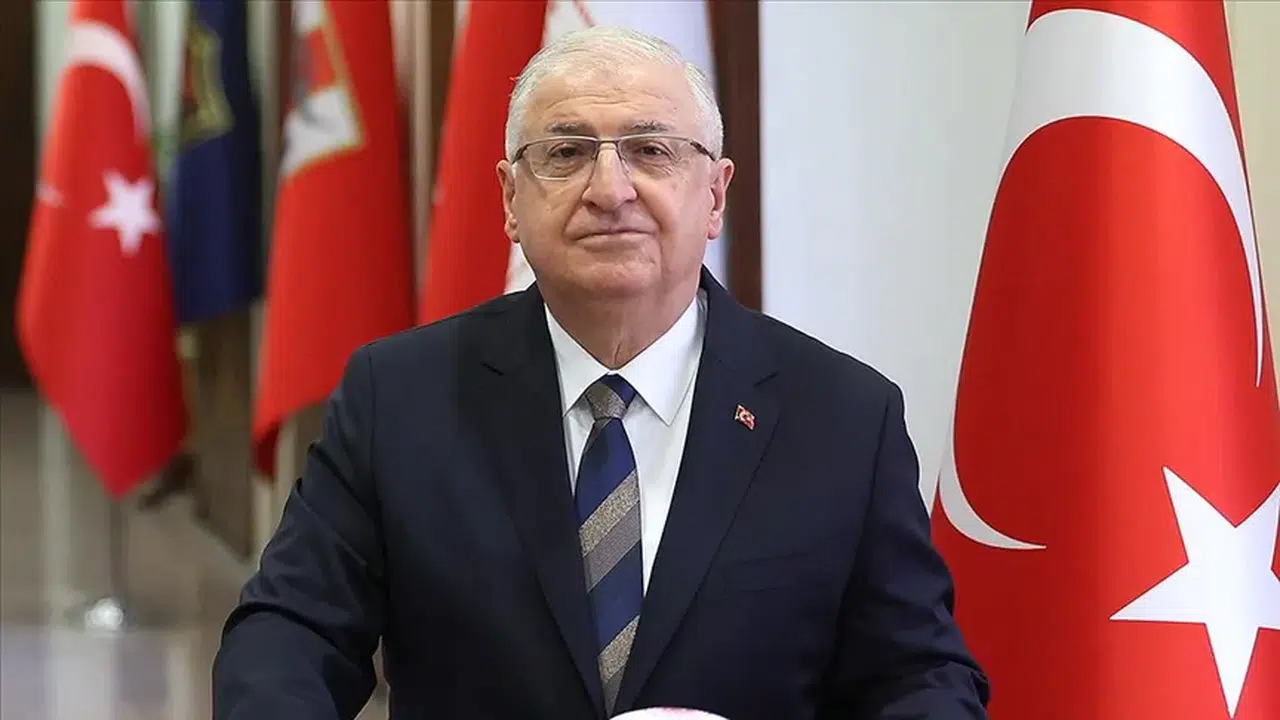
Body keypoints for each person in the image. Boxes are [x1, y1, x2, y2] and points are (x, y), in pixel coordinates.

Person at [212, 26, 989, 720]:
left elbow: (915, 675)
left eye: (651, 151)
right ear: (510, 199)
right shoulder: (400, 396)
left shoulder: (842, 416)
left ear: (714, 195)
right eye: (566, 153)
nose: (610, 190)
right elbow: (292, 632)